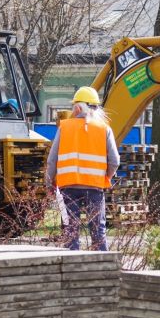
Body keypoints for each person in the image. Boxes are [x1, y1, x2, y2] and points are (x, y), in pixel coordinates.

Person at [46, 87, 120, 251]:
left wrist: (49, 183)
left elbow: (52, 160)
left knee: (71, 229)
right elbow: (115, 161)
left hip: (68, 188)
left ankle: (72, 266)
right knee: (98, 230)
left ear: (78, 107)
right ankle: (103, 267)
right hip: (94, 187)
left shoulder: (64, 127)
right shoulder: (104, 129)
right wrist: (105, 177)